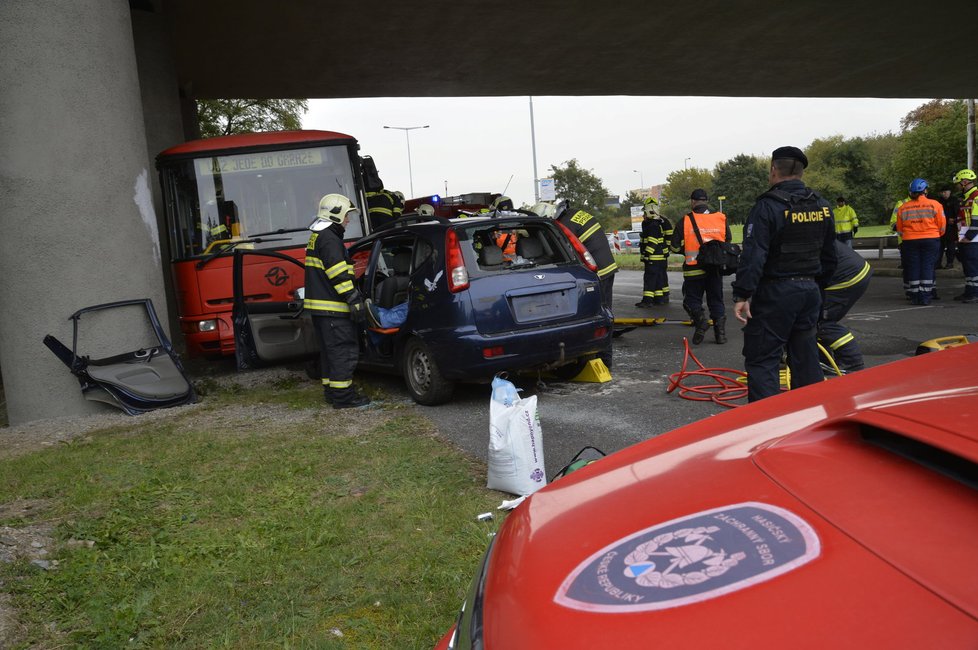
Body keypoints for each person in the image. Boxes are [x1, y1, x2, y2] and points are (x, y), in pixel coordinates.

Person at [732, 146, 837, 402]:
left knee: (763, 358)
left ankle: (767, 426)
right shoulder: (822, 205)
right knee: (806, 356)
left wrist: (743, 294)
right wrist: (818, 289)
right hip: (810, 291)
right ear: (801, 172)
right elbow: (830, 256)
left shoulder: (767, 207)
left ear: (773, 170)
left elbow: (754, 255)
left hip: (776, 293)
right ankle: (809, 417)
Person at [305, 193, 379, 409]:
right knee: (342, 352)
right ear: (335, 215)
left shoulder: (319, 236)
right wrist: (354, 299)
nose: (348, 220)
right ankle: (344, 398)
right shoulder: (329, 239)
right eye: (347, 216)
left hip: (323, 311)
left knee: (330, 354)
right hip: (334, 309)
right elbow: (338, 274)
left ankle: (332, 392)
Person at [555, 201, 618, 367]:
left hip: (598, 272)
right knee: (605, 313)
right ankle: (602, 358)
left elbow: (566, 251)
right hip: (607, 267)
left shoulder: (565, 225)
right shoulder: (576, 214)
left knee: (601, 315)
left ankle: (604, 360)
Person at [669, 188, 731, 344]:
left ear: (692, 202)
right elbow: (727, 241)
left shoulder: (685, 220)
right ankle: (720, 335)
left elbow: (674, 247)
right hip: (714, 268)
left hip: (693, 268)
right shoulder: (720, 218)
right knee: (716, 300)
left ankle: (701, 322)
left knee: (692, 301)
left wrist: (687, 249)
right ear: (707, 202)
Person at [818, 240, 873, 373]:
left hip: (847, 275)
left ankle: (852, 362)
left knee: (821, 321)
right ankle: (823, 360)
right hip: (854, 270)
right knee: (816, 317)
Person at [894, 178, 945, 305]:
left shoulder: (903, 208)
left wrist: (909, 235)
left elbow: (899, 229)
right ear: (925, 190)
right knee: (927, 265)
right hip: (931, 239)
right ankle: (925, 296)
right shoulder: (935, 204)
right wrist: (936, 234)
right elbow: (942, 226)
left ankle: (915, 295)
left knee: (913, 266)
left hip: (910, 241)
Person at [635, 197, 674, 307]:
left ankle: (647, 301)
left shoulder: (652, 224)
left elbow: (653, 241)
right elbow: (667, 237)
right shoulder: (662, 221)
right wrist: (665, 250)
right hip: (662, 255)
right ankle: (660, 298)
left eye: (644, 212)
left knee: (650, 278)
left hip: (653, 256)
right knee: (660, 277)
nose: (643, 215)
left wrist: (647, 255)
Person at [953, 168, 978, 302]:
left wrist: (969, 236)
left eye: (958, 183)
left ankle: (974, 293)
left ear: (965, 182)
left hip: (973, 239)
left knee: (973, 266)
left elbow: (977, 219)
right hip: (966, 237)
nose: (957, 186)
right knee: (968, 267)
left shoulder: (976, 196)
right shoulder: (966, 197)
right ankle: (970, 291)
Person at [937, 187, 960, 269]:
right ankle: (937, 263)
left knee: (951, 246)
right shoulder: (939, 201)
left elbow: (958, 213)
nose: (943, 194)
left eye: (945, 192)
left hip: (951, 227)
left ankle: (949, 263)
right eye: (942, 192)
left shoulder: (954, 200)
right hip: (941, 226)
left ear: (949, 192)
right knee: (939, 246)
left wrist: (955, 220)